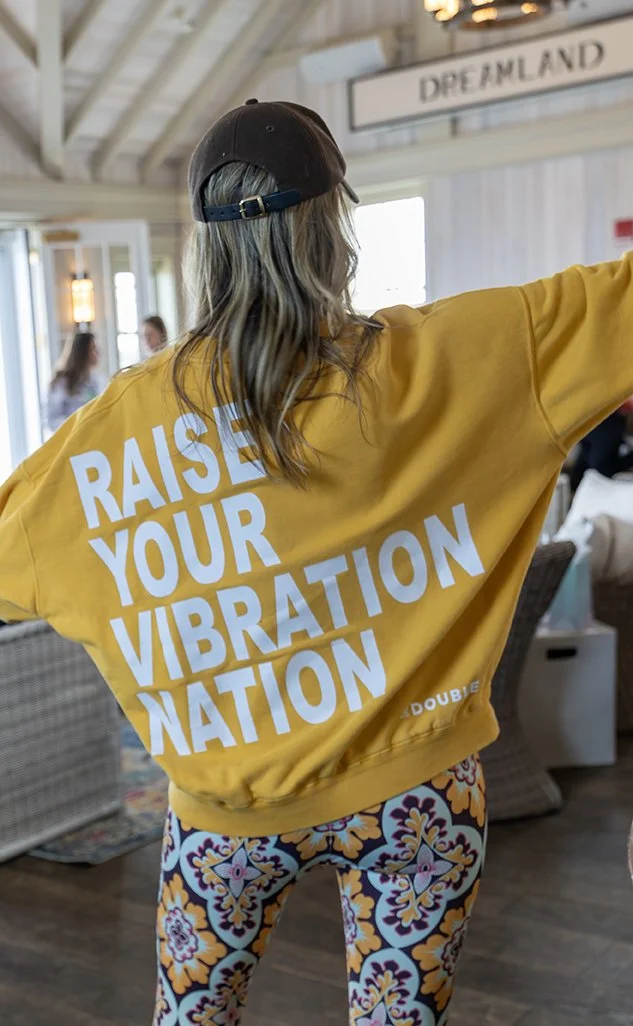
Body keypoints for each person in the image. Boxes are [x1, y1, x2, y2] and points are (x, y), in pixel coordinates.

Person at [1, 99, 633, 1026]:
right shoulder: (469, 352)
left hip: (225, 816)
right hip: (415, 798)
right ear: (335, 226)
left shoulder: (105, 440)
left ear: (206, 249)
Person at [46, 331, 105, 433]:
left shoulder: (98, 380)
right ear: (82, 353)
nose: (98, 353)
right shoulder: (61, 382)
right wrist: (78, 425)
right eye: (93, 349)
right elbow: (53, 420)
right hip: (72, 437)